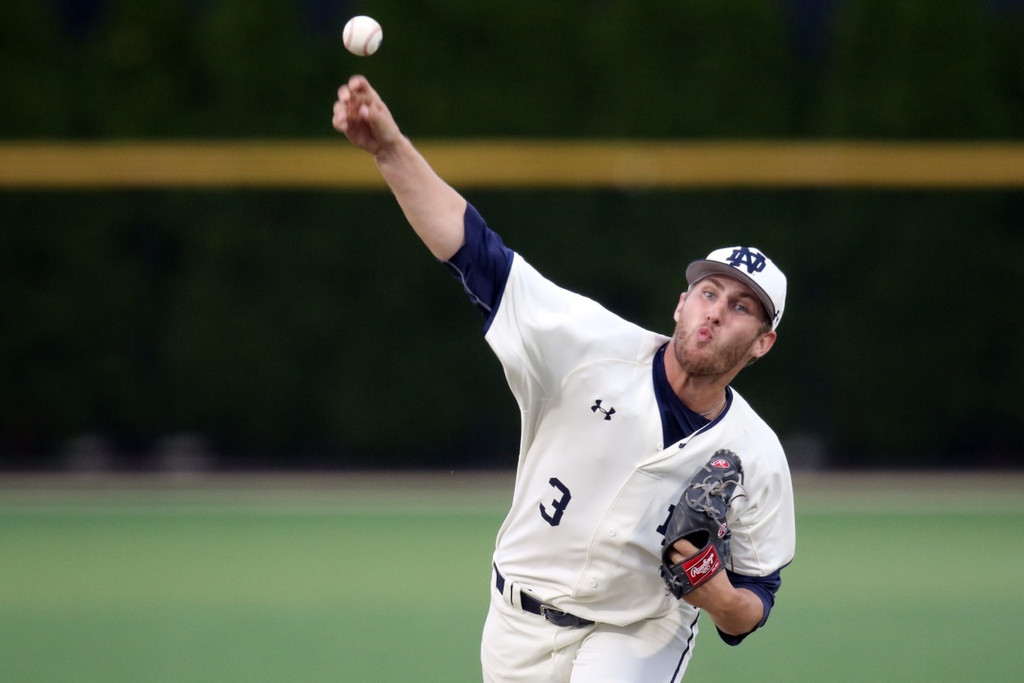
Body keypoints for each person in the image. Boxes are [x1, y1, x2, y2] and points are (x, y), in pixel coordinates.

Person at [332, 75, 796, 683]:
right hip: (515, 623)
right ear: (680, 304)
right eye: (709, 292)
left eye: (740, 307)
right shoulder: (586, 345)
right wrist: (389, 150)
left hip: (637, 633)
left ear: (763, 342)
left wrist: (718, 595)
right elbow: (474, 251)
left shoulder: (757, 455)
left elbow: (753, 602)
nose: (716, 310)